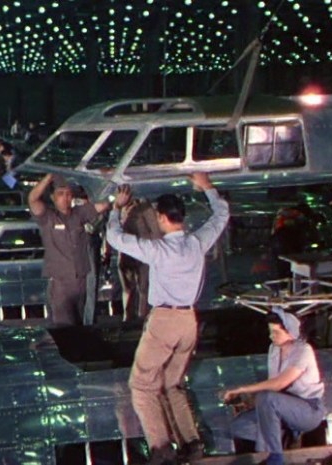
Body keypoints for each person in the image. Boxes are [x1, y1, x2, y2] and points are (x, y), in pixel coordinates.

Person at [106, 173, 229, 465]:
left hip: (164, 322)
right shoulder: (197, 243)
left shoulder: (158, 250)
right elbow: (221, 214)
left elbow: (115, 237)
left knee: (142, 386)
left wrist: (115, 209)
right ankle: (191, 442)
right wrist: (207, 187)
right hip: (189, 322)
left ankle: (161, 450)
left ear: (161, 218)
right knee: (172, 384)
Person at [223, 309, 325, 465]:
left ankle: (275, 458)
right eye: (270, 332)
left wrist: (242, 389)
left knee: (267, 399)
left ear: (290, 333)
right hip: (282, 408)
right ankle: (278, 441)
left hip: (308, 410)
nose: (271, 336)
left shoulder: (303, 350)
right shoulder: (274, 349)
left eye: (276, 332)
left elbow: (278, 384)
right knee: (238, 425)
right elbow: (272, 386)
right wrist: (248, 400)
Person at [29, 174, 110, 326]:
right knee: (64, 325)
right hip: (61, 283)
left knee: (78, 324)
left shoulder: (79, 214)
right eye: (60, 194)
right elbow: (33, 199)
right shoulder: (48, 217)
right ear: (53, 197)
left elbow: (102, 205)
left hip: (81, 282)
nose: (65, 198)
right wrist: (48, 177)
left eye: (68, 194)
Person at [118, 199, 162, 320]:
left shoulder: (145, 208)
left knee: (143, 287)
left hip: (143, 252)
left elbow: (155, 232)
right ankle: (129, 316)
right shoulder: (122, 208)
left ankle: (142, 316)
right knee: (128, 287)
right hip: (127, 252)